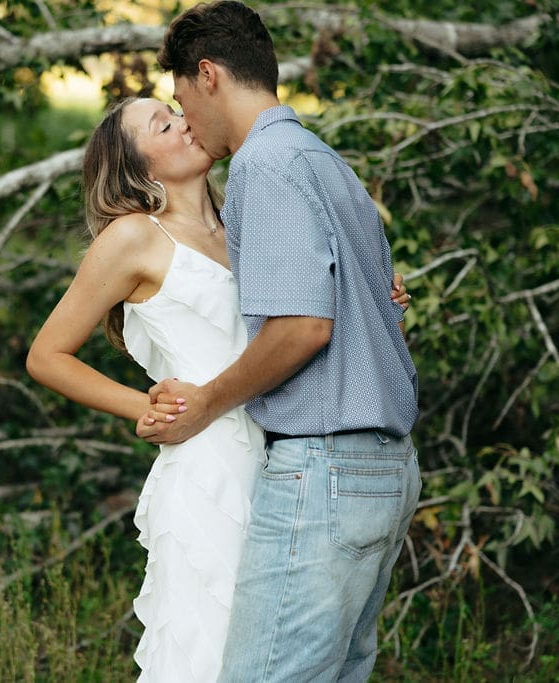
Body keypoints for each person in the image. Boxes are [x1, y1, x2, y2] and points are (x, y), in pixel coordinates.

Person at [26, 95, 410, 681]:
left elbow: (298, 324)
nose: (184, 122)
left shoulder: (247, 225)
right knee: (211, 652)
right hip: (209, 467)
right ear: (138, 167)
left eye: (177, 111)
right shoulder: (133, 239)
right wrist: (146, 406)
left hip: (287, 453)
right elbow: (47, 355)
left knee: (297, 655)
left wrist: (375, 294)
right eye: (164, 123)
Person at [137, 2, 422, 681]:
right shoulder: (326, 163)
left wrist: (207, 399)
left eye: (181, 99)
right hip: (388, 467)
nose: (188, 122)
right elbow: (379, 305)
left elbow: (303, 326)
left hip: (324, 469)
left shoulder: (262, 166)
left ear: (208, 75)